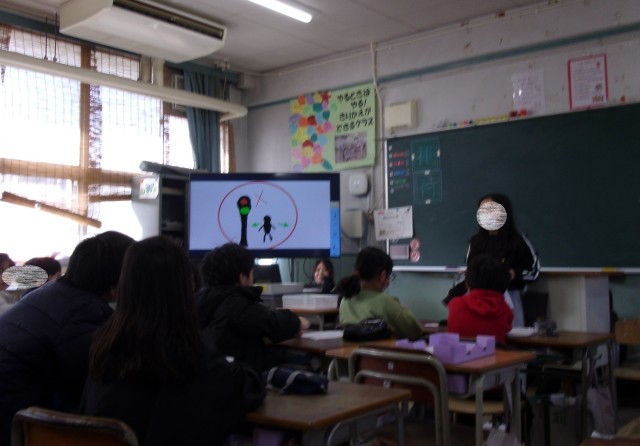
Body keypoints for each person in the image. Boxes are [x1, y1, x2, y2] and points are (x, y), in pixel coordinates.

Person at [81, 236, 265, 446]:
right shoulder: (189, 359)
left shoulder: (103, 351)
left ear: (124, 285)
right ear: (185, 289)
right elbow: (247, 386)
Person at [0, 231, 134, 446]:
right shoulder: (83, 313)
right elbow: (100, 375)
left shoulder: (50, 293)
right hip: (14, 423)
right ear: (116, 279)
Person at [194, 243, 310, 373]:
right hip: (239, 378)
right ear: (242, 277)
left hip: (207, 377)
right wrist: (299, 321)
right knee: (305, 362)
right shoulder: (236, 305)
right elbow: (273, 323)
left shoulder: (197, 302)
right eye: (252, 272)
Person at [466, 193, 540, 327]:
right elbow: (470, 271)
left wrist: (513, 274)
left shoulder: (518, 241)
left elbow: (533, 271)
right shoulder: (476, 242)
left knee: (510, 335)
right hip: (478, 301)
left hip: (510, 299)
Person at [336, 246, 423, 340]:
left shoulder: (345, 300)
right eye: (389, 276)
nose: (388, 282)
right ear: (383, 276)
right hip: (382, 349)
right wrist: (403, 309)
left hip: (351, 350)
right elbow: (415, 332)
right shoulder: (386, 302)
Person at [447, 254, 514, 343]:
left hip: (458, 351)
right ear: (505, 283)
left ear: (468, 282)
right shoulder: (505, 311)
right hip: (494, 352)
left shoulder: (455, 304)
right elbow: (507, 329)